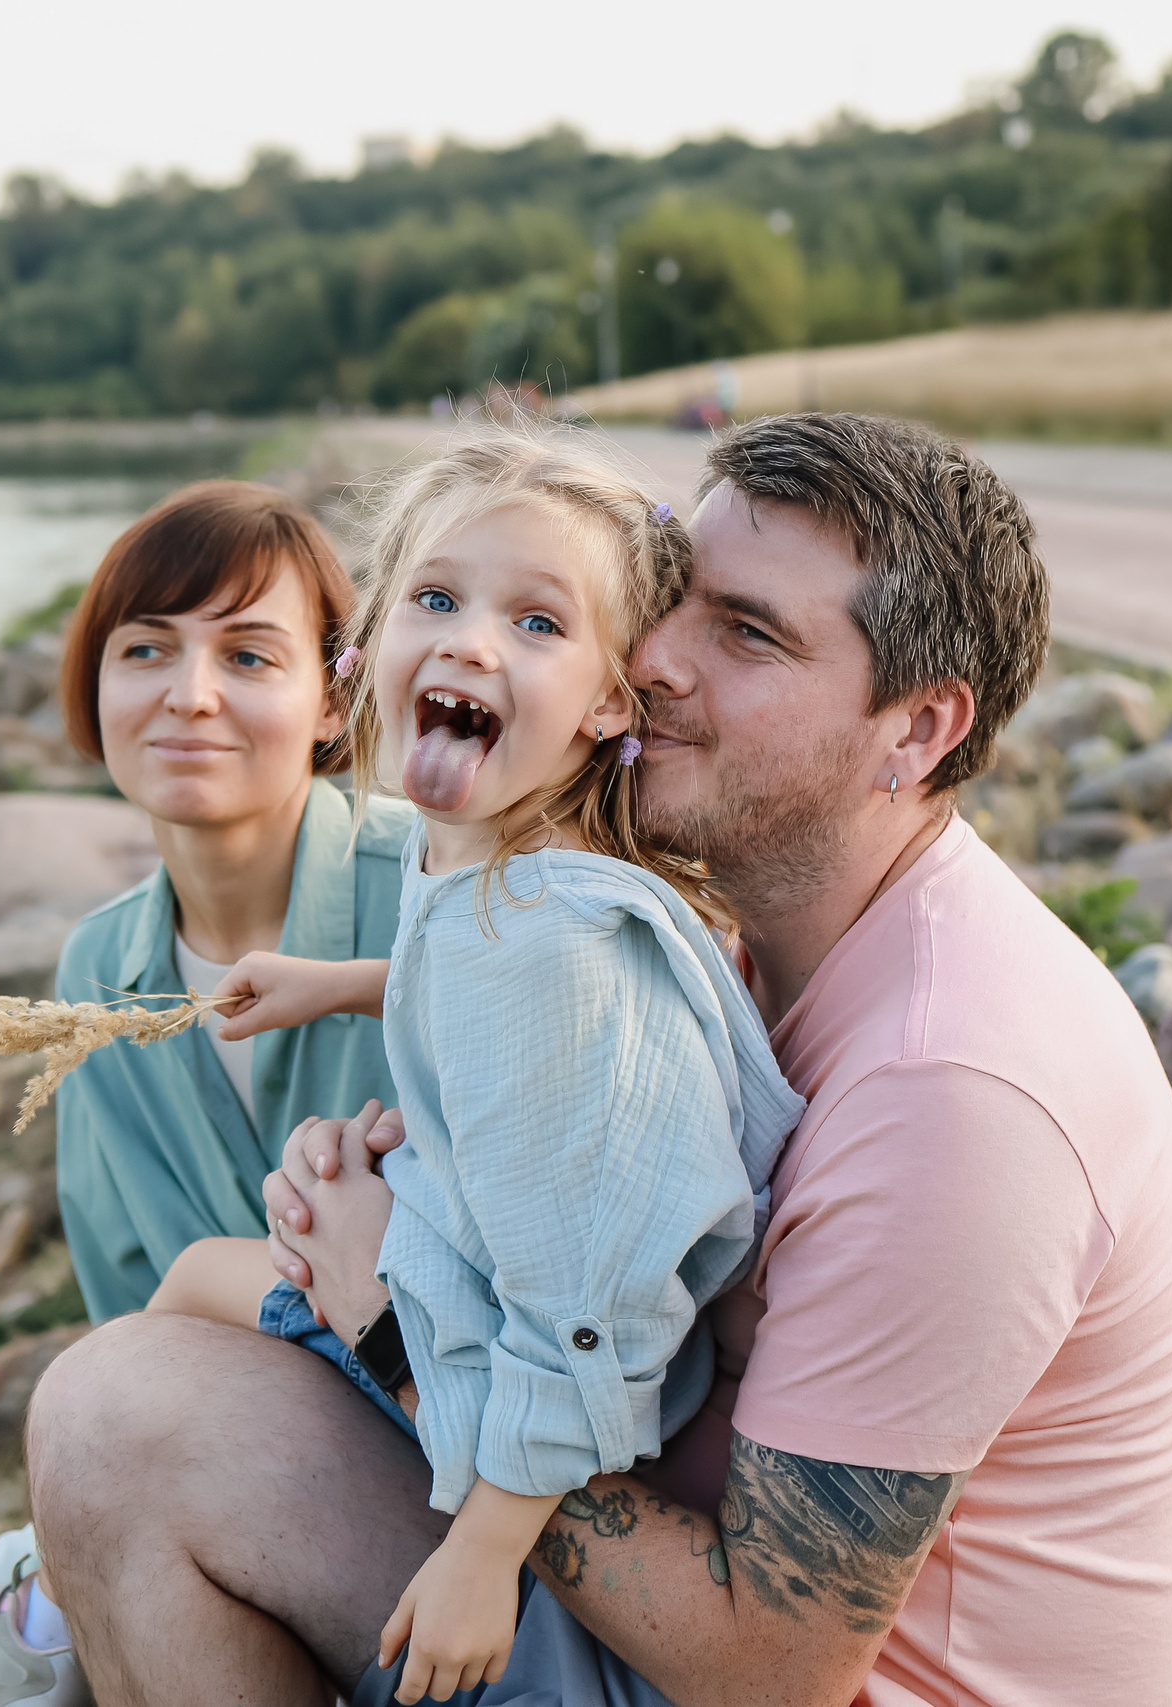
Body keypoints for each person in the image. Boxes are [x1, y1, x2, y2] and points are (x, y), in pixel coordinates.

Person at [21, 412, 1172, 1707]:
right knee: (170, 1353)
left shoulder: (959, 1098)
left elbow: (771, 1666)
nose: (656, 661)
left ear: (917, 730)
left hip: (746, 1666)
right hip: (636, 1551)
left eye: (746, 633)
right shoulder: (751, 929)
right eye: (673, 600)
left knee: (121, 1422)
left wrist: (391, 1323)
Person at [146, 428, 804, 1704]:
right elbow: (483, 1000)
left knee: (190, 1293)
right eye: (436, 600)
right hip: (472, 1296)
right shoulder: (482, 863)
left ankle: (53, 1594)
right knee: (204, 1300)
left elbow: (591, 1311)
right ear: (371, 644)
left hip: (524, 1386)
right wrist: (337, 987)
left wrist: (483, 1555)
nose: (468, 642)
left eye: (538, 624)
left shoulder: (556, 946)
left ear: (612, 701)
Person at [0, 478, 414, 1707]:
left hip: (458, 1488)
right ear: (93, 691)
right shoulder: (98, 972)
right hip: (233, 1462)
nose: (188, 694)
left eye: (248, 654)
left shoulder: (433, 893)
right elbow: (132, 1319)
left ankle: (36, 1590)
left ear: (332, 697)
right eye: (144, 650)